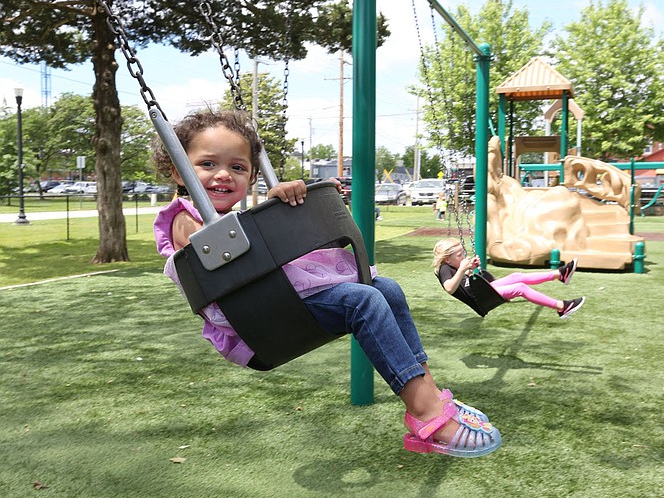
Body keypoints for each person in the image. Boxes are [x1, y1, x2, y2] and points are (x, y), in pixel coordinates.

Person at [151, 110, 501, 458]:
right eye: (207, 164)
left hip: (284, 301)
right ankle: (426, 415)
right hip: (255, 324)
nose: (223, 174)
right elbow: (224, 255)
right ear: (179, 173)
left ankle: (428, 394)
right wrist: (278, 213)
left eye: (238, 167)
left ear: (251, 175)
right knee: (361, 301)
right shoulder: (184, 218)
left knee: (387, 289)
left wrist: (284, 204)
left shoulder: (234, 216)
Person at [432, 237, 585, 319]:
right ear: (447, 259)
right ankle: (562, 307)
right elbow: (450, 288)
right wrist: (463, 269)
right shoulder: (444, 268)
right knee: (520, 288)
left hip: (483, 291)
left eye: (463, 253)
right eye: (460, 255)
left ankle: (560, 274)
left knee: (516, 276)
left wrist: (469, 268)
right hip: (481, 299)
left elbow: (463, 282)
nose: (463, 257)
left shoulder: (452, 265)